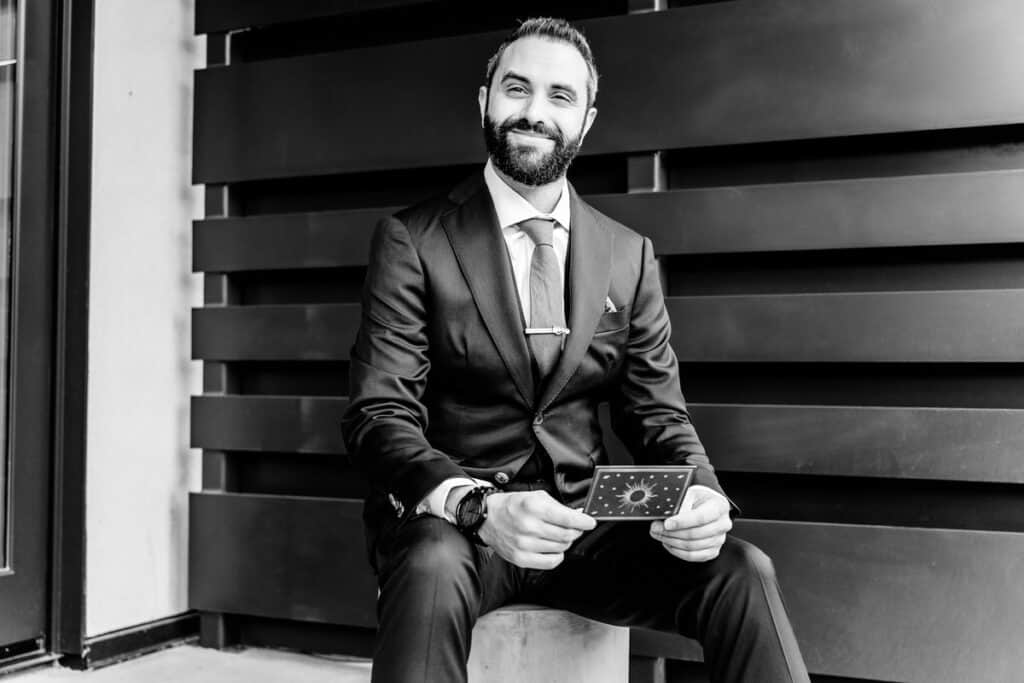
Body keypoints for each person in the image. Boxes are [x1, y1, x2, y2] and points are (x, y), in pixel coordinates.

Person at [341, 16, 809, 683]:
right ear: (485, 102)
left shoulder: (628, 256)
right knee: (431, 564)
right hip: (464, 528)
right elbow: (377, 418)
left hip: (588, 528)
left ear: (586, 120)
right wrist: (479, 506)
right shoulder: (413, 240)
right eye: (516, 89)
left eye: (559, 96)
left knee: (742, 569)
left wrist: (703, 496)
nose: (534, 112)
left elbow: (658, 417)